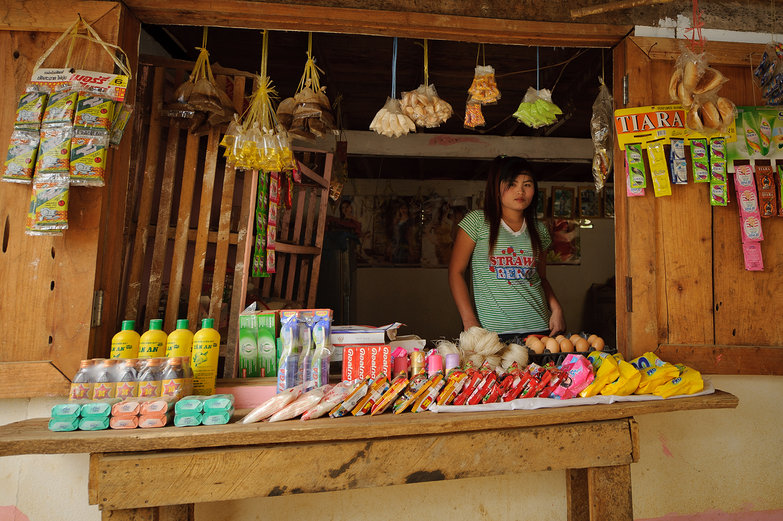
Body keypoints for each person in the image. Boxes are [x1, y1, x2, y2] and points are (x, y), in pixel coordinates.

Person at [448, 155, 565, 338]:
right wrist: (469, 320)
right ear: (497, 187)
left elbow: (541, 278)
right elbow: (455, 272)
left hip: (539, 328)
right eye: (512, 183)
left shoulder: (539, 229)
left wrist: (556, 309)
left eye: (527, 184)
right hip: (493, 333)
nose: (520, 191)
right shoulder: (477, 222)